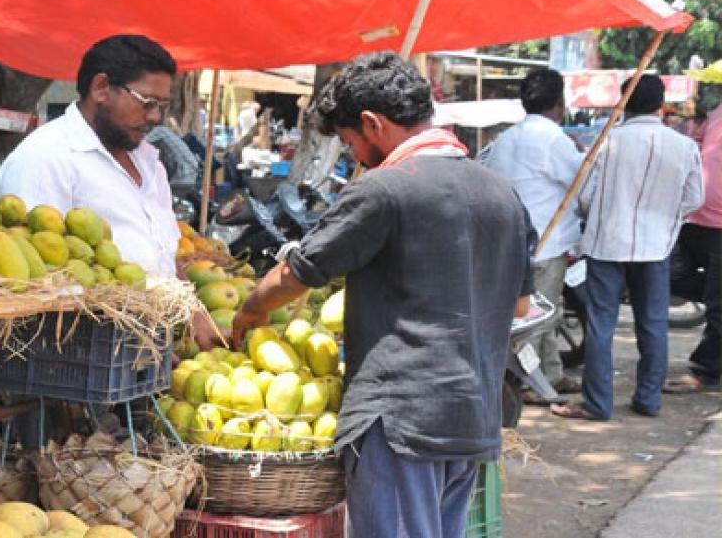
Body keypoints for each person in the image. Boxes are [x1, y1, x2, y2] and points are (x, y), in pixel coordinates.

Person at [229, 51, 533, 538]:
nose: (353, 157)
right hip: (473, 417)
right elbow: (519, 306)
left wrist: (248, 311)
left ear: (372, 123)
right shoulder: (503, 194)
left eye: (349, 143)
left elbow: (298, 274)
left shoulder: (384, 189)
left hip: (400, 422)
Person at [0, 35, 217, 347]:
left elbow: (164, 254)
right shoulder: (45, 158)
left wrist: (195, 313)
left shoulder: (149, 161)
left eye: (162, 106)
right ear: (100, 88)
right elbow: (35, 281)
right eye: (147, 103)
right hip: (86, 357)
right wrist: (126, 347)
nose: (155, 117)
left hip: (153, 354)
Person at [553, 75, 703, 420]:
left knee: (601, 324)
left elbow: (584, 197)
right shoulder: (683, 146)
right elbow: (694, 199)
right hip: (656, 247)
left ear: (625, 102)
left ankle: (597, 403)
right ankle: (649, 400)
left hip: (607, 244)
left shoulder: (607, 142)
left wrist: (604, 215)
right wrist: (666, 217)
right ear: (661, 104)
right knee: (652, 324)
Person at [479, 68, 584, 399]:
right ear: (559, 102)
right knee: (538, 318)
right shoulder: (554, 139)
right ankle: (529, 384)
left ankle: (551, 374)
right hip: (544, 244)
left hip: (508, 242)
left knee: (546, 310)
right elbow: (582, 184)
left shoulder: (505, 139)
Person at [666, 102, 722, 393]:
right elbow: (697, 148)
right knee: (671, 273)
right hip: (696, 217)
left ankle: (707, 370)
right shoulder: (715, 112)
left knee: (717, 303)